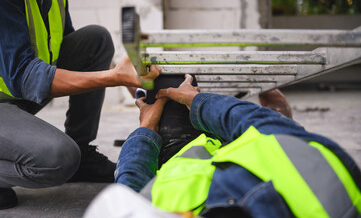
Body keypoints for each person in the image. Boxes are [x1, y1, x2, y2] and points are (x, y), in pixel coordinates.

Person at [85, 74, 361, 218]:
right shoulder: (329, 198)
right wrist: (197, 102)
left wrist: (145, 129)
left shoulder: (148, 206)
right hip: (244, 143)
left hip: (173, 153)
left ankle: (152, 99)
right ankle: (284, 118)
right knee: (179, 85)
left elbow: (129, 183)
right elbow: (252, 120)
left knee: (163, 87)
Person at [0, 0, 161, 210]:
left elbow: (74, 54)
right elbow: (24, 76)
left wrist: (130, 82)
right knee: (58, 159)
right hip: (14, 89)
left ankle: (83, 154)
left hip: (13, 96)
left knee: (96, 40)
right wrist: (115, 77)